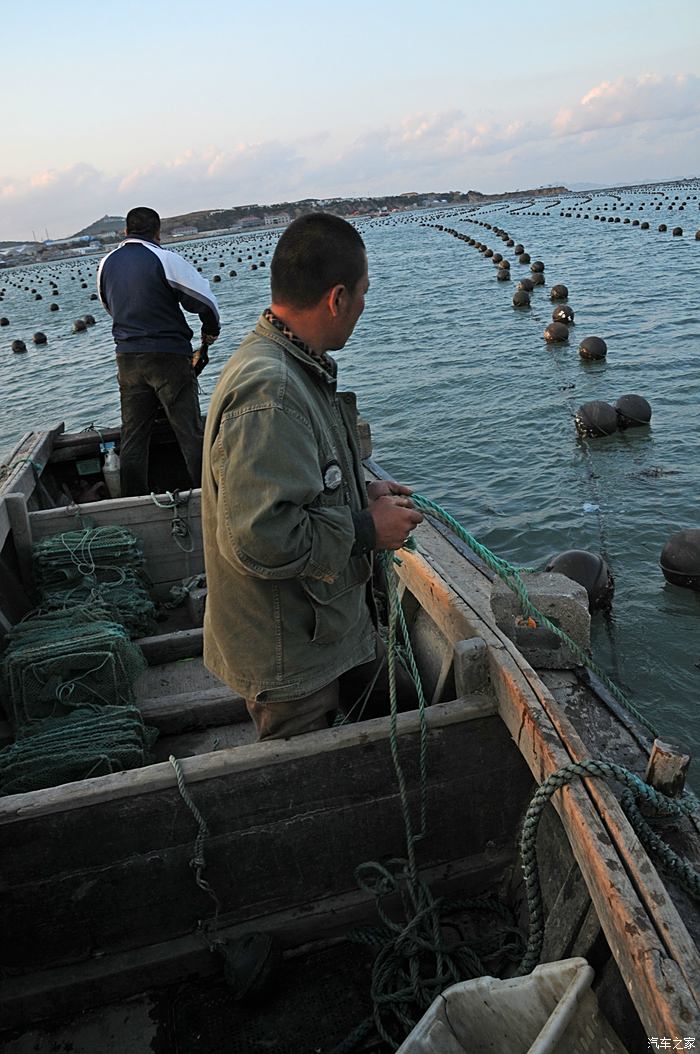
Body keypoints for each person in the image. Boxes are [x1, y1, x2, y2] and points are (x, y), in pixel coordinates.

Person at [201, 213, 423, 740]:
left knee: (406, 707)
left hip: (325, 630)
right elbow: (260, 537)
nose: (364, 308)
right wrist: (367, 530)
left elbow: (299, 481)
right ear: (337, 298)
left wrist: (359, 492)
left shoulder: (292, 366)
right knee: (316, 793)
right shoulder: (270, 391)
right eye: (364, 294)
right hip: (291, 658)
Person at [98, 206, 220, 496]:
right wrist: (210, 330)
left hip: (127, 358)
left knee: (134, 435)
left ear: (125, 232)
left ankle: (132, 498)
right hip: (168, 356)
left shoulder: (106, 263)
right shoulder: (164, 259)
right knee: (188, 430)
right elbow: (204, 300)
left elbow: (108, 305)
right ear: (157, 233)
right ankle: (205, 494)